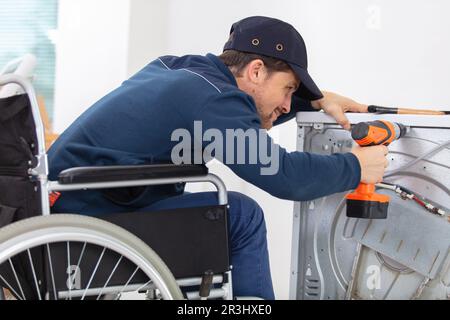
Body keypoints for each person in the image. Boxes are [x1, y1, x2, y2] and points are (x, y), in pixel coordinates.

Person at [48, 16, 388, 299]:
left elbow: (241, 119)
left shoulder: (183, 72)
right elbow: (285, 175)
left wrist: (315, 101)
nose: (287, 104)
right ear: (256, 71)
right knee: (241, 216)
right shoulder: (213, 99)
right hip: (89, 223)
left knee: (211, 215)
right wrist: (356, 166)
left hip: (71, 206)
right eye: (288, 89)